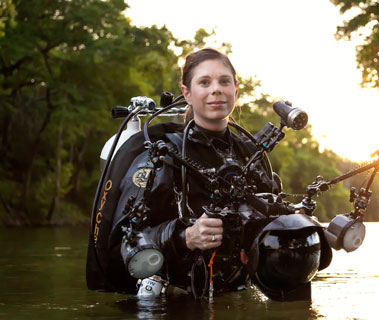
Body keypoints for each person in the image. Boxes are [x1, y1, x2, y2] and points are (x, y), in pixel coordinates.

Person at [86, 48, 282, 296]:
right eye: (204, 82)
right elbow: (122, 243)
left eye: (224, 81)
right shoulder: (162, 156)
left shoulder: (251, 154)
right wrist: (185, 236)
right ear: (186, 93)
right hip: (171, 303)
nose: (216, 89)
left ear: (236, 89)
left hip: (239, 295)